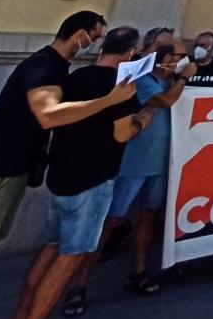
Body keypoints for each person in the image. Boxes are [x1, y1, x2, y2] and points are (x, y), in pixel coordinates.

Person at [0, 11, 127, 319]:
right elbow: (49, 114)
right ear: (79, 35)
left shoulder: (59, 68)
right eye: (95, 37)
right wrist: (109, 101)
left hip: (9, 172)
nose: (95, 45)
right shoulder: (44, 66)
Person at [13, 28, 151, 319]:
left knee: (52, 247)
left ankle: (20, 316)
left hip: (62, 174)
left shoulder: (76, 77)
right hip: (94, 179)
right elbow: (123, 133)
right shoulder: (121, 84)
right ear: (130, 53)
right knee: (71, 255)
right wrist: (143, 119)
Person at [83, 44, 198, 301]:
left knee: (148, 219)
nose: (186, 60)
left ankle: (139, 271)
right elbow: (167, 102)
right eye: (181, 57)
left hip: (160, 166)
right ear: (167, 59)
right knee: (110, 222)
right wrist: (184, 76)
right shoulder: (143, 81)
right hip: (133, 166)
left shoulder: (171, 84)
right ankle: (79, 284)